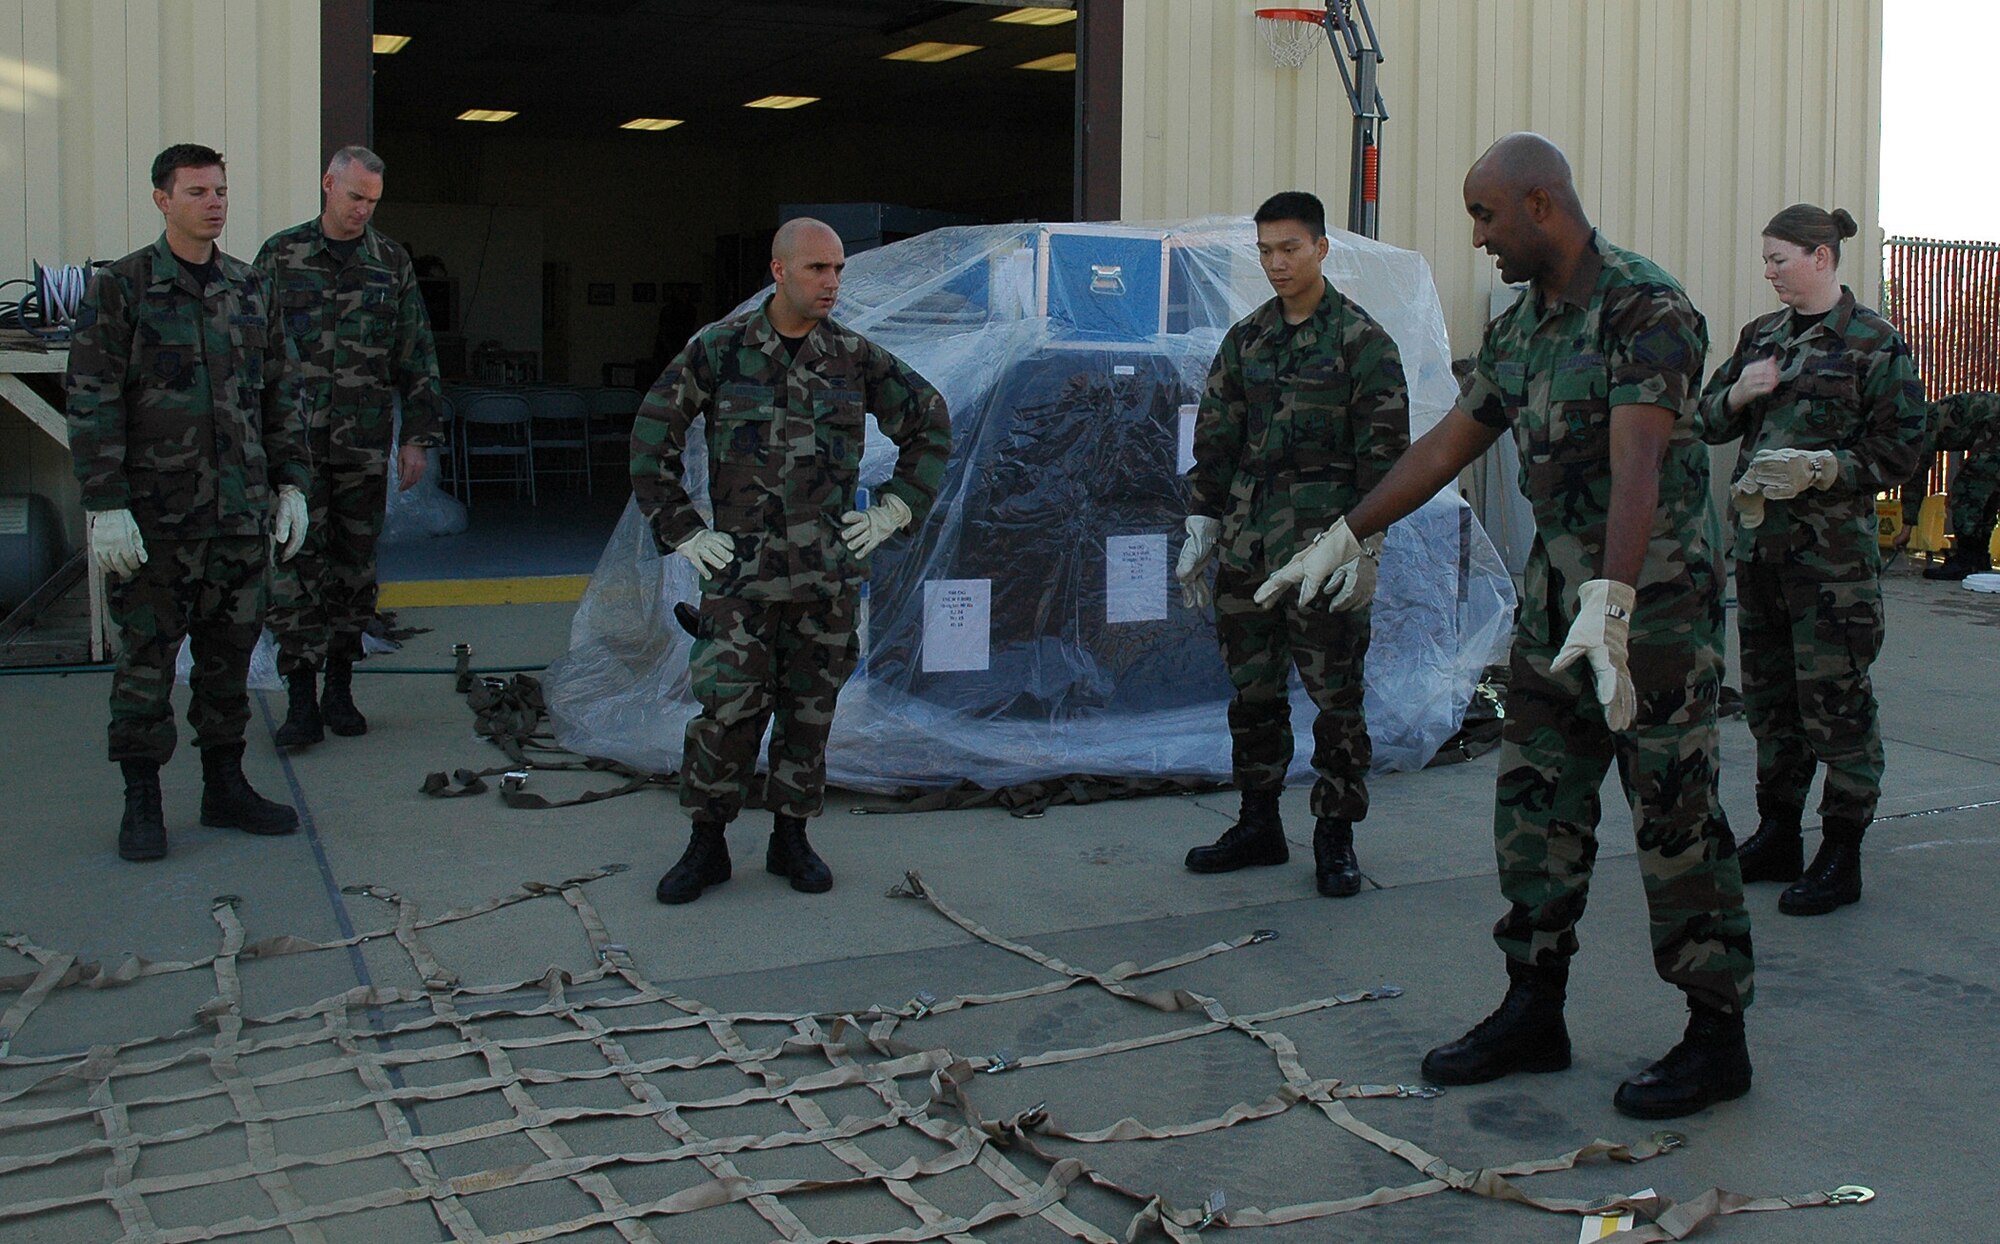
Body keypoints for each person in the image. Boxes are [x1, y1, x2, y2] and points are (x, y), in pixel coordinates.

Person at [1269, 134, 1753, 1119]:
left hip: (1643, 610)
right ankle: (1533, 1006)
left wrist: (1611, 604)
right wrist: (1346, 532)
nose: (1477, 237)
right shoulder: (1526, 325)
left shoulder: (1643, 308)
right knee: (1534, 809)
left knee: (1674, 820)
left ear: (1539, 204)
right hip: (1549, 608)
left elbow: (1639, 466)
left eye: (1484, 216)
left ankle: (1715, 1034)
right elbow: (1452, 439)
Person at [631, 217, 951, 905]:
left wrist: (894, 509)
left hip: (825, 579)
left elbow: (930, 422)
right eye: (817, 269)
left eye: (838, 270)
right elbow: (651, 437)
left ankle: (791, 837)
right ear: (779, 272)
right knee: (726, 715)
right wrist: (683, 531)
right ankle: (707, 844)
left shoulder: (855, 358)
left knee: (810, 714)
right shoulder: (718, 352)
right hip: (741, 580)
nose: (832, 282)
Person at [65, 143, 311, 861]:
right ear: (162, 199)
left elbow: (277, 392)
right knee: (146, 663)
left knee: (227, 661)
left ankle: (224, 785)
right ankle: (142, 802)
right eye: (198, 190)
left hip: (237, 517)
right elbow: (93, 399)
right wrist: (104, 501)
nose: (215, 202)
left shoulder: (250, 288)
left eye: (221, 190)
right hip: (156, 522)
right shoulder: (122, 288)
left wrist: (291, 482)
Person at [1175, 190, 1409, 898]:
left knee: (1336, 703)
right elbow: (1215, 442)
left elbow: (1387, 463)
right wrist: (1202, 523)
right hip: (1248, 552)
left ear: (1321, 248)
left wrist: (1368, 551)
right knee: (1253, 698)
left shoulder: (1363, 345)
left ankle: (1335, 837)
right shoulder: (1246, 341)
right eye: (1266, 251)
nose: (1276, 264)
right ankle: (1258, 822)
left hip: (1324, 556)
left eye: (1290, 249)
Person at [1697, 205, 1928, 916]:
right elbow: (1706, 418)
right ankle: (1777, 832)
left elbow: (1903, 448)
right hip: (1762, 555)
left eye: (1779, 260)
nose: (1768, 274)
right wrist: (1738, 391)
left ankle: (1841, 848)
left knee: (1837, 705)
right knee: (1770, 703)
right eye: (1765, 261)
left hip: (1832, 568)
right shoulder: (1762, 338)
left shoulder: (1873, 343)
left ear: (1822, 258)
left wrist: (1828, 468)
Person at [256, 146, 444, 747]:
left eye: (372, 201)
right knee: (294, 570)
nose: (363, 210)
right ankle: (300, 701)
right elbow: (251, 353)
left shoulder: (390, 261)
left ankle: (339, 688)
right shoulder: (281, 256)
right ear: (328, 185)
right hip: (295, 453)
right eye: (355, 197)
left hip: (362, 449)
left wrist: (417, 438)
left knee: (353, 572)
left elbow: (416, 354)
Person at [1895, 391, 1999, 580]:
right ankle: (1979, 557)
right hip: (1992, 431)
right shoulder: (1928, 414)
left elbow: (1915, 477)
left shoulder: (1918, 428)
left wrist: (1906, 528)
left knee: (1966, 490)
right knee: (1987, 492)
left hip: (1994, 430)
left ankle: (1966, 561)